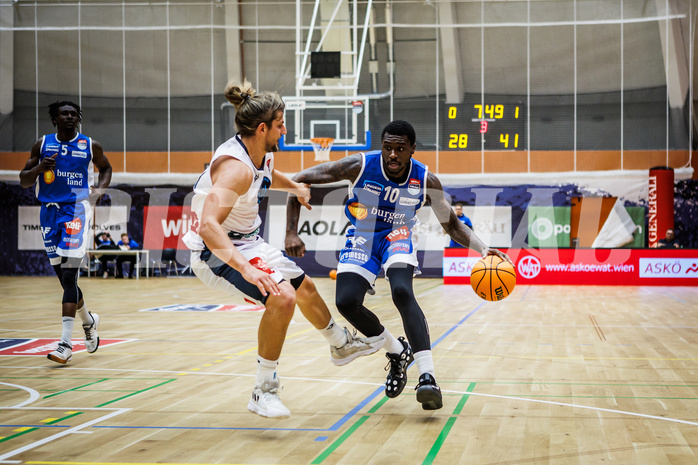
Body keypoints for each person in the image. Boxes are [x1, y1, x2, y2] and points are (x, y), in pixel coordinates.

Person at [181, 79, 384, 419]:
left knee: (305, 288)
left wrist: (298, 189)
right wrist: (247, 269)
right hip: (214, 250)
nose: (285, 129)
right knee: (282, 297)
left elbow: (269, 177)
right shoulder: (235, 169)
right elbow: (208, 226)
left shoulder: (259, 155)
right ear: (262, 128)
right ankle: (263, 390)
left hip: (247, 241)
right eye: (280, 124)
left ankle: (339, 344)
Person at [285, 120, 511, 411]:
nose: (392, 155)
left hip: (399, 234)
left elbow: (451, 224)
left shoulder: (426, 180)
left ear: (412, 150)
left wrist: (482, 248)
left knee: (402, 292)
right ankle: (397, 351)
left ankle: (427, 375)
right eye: (387, 148)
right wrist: (291, 230)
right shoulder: (359, 165)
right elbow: (298, 179)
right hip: (362, 235)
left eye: (400, 149)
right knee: (345, 302)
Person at [19, 101, 112, 364]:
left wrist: (100, 191)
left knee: (70, 275)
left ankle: (65, 343)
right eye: (65, 114)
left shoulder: (90, 145)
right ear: (55, 119)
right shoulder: (42, 144)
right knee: (64, 280)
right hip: (48, 212)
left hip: (76, 211)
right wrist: (39, 169)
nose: (70, 117)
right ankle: (89, 321)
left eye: (74, 114)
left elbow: (106, 168)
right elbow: (24, 180)